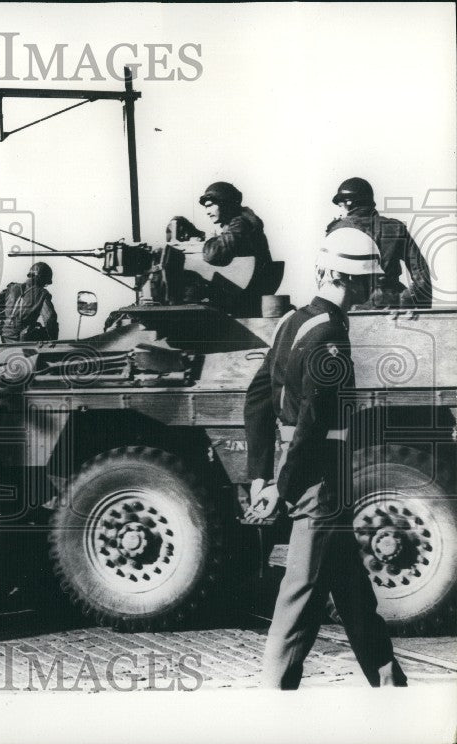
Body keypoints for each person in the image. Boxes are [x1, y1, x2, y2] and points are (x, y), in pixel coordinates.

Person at [243, 227, 407, 690]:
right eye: (364, 279)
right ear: (343, 277)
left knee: (353, 593)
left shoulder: (290, 322)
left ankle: (390, 686)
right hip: (319, 481)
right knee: (300, 595)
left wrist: (260, 476)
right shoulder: (330, 334)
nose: (369, 286)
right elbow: (314, 424)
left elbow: (256, 399)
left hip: (305, 472)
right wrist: (283, 488)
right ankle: (273, 695)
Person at [326, 177, 433, 308]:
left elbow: (329, 278)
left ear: (349, 202)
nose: (340, 208)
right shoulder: (395, 227)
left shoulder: (337, 230)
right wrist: (411, 303)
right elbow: (421, 272)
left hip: (354, 308)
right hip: (393, 306)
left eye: (341, 204)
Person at [195, 181, 274, 316]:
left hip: (247, 301)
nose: (207, 212)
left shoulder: (241, 223)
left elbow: (213, 254)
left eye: (210, 205)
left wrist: (209, 240)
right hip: (247, 297)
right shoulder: (241, 222)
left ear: (225, 203)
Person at [0, 262, 59, 342]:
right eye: (45, 282)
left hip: (5, 337)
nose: (44, 285)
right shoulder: (42, 294)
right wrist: (53, 340)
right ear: (41, 278)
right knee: (44, 331)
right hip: (23, 339)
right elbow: (50, 319)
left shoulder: (12, 288)